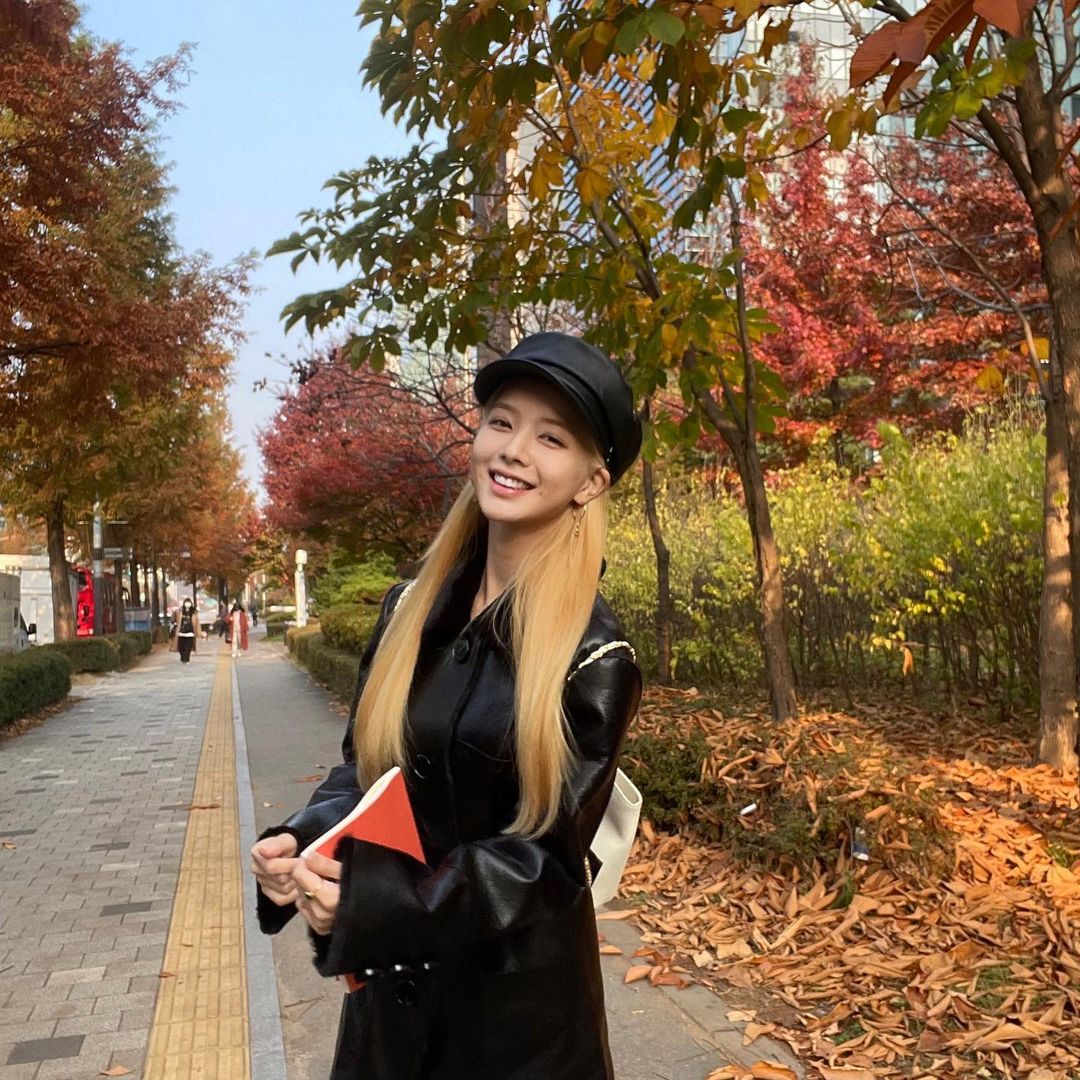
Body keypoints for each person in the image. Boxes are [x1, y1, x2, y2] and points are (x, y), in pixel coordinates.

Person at [250, 332, 643, 1080]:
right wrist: (304, 840)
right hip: (389, 1017)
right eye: (502, 421)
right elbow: (365, 772)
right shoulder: (410, 610)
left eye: (551, 438)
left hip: (516, 1031)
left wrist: (377, 904)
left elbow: (544, 862)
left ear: (590, 482)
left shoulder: (595, 657)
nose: (513, 450)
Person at [169, 597, 199, 664]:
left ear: (191, 603)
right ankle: (183, 658)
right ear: (184, 603)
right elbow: (173, 618)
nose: (187, 604)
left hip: (190, 632)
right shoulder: (179, 611)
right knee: (181, 647)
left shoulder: (194, 612)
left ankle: (187, 659)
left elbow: (197, 623)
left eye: (189, 603)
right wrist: (174, 622)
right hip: (181, 632)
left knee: (188, 647)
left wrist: (198, 632)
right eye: (186, 602)